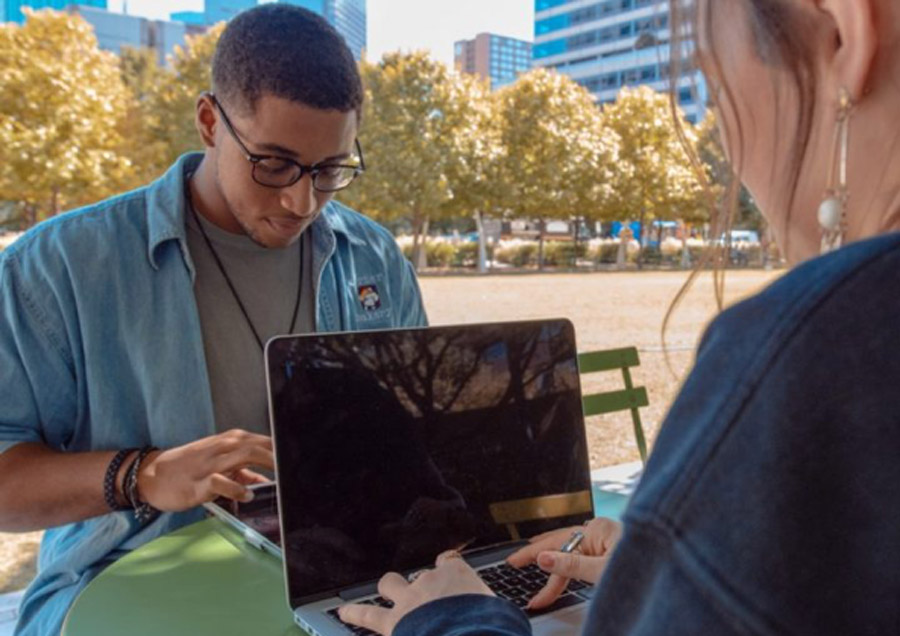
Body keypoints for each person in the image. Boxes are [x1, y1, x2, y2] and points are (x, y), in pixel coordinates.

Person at [339, 0, 900, 634]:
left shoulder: (814, 352)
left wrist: (453, 619)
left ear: (843, 31)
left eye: (714, 85)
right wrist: (669, 577)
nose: (724, 144)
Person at [0, 5, 426, 635]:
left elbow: (414, 438)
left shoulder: (373, 257)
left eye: (331, 171)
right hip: (122, 588)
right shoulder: (59, 265)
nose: (301, 201)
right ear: (209, 122)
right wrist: (143, 475)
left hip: (347, 576)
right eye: (274, 164)